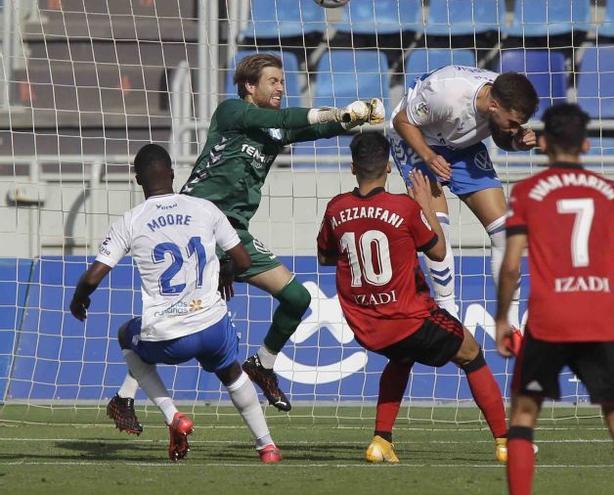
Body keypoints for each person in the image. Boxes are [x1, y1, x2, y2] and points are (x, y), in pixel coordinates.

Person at [105, 53, 385, 426]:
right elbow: (284, 119)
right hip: (196, 225)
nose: (281, 87)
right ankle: (124, 398)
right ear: (249, 87)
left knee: (297, 298)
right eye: (273, 81)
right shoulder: (232, 113)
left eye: (283, 81)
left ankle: (263, 364)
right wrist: (336, 113)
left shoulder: (273, 129)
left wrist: (351, 118)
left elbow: (309, 130)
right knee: (179, 321)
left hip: (234, 232)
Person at [69, 144, 280, 463]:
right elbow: (243, 259)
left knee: (127, 335)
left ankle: (173, 416)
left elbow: (95, 275)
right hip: (212, 327)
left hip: (169, 337)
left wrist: (79, 299)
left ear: (137, 179)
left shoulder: (131, 220)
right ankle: (267, 446)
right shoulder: (205, 208)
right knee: (232, 373)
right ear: (171, 173)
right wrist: (226, 270)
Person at [317, 132, 509, 463]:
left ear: (352, 168)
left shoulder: (336, 208)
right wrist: (425, 206)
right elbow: (437, 251)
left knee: (402, 357)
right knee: (472, 353)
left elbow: (324, 257)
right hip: (408, 317)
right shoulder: (404, 208)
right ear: (389, 168)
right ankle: (506, 442)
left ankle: (381, 440)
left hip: (366, 325)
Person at [495, 104, 614, 495]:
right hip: (600, 320)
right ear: (585, 144)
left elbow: (512, 265)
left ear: (544, 142)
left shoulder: (527, 192)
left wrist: (502, 318)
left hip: (549, 320)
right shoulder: (613, 194)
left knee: (524, 415)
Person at [391, 65, 538, 326]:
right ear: (493, 105)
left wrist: (516, 142)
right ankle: (448, 314)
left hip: (461, 145)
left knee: (505, 231)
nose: (515, 128)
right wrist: (428, 155)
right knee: (438, 231)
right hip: (417, 137)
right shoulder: (447, 94)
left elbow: (502, 135)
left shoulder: (501, 99)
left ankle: (511, 321)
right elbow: (401, 121)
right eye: (513, 123)